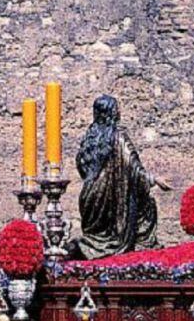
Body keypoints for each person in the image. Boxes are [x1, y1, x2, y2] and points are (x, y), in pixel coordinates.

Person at [69, 95, 171, 260]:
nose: (120, 112)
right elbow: (133, 168)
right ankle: (137, 245)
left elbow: (81, 165)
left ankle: (89, 248)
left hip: (91, 199)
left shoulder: (89, 137)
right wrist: (154, 179)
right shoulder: (119, 137)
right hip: (112, 204)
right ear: (112, 112)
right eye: (117, 108)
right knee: (148, 205)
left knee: (95, 236)